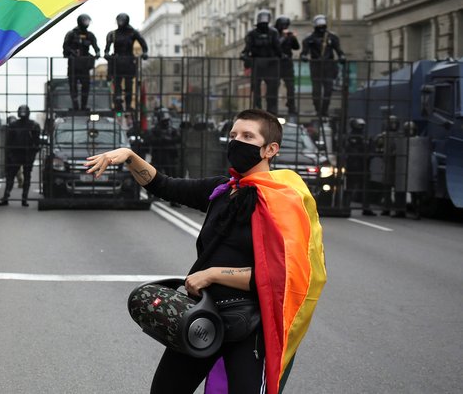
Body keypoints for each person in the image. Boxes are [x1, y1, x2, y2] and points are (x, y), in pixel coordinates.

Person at [85, 109, 326, 394]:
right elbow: (164, 185)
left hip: (251, 325)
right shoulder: (222, 189)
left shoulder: (283, 203)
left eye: (248, 136)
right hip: (201, 315)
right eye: (234, 135)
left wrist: (212, 274)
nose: (237, 141)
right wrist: (128, 155)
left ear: (270, 149)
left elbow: (282, 274)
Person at [300, 14, 345, 118]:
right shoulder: (309, 38)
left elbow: (339, 51)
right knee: (316, 91)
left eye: (323, 26)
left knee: (328, 90)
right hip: (316, 66)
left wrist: (342, 57)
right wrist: (304, 57)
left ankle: (324, 110)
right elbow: (304, 52)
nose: (321, 28)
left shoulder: (332, 37)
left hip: (328, 66)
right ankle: (318, 109)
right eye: (319, 26)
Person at [104, 13, 148, 113]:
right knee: (117, 84)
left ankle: (128, 105)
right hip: (117, 61)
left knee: (129, 85)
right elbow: (106, 49)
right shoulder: (113, 34)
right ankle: (118, 104)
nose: (120, 23)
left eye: (122, 20)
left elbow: (143, 43)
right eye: (118, 20)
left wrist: (145, 52)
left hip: (129, 61)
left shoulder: (133, 33)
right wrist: (106, 54)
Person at [240, 10, 282, 114]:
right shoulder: (252, 34)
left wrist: (282, 56)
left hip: (271, 64)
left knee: (273, 87)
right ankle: (257, 106)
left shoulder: (273, 33)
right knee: (256, 86)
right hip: (257, 64)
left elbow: (278, 48)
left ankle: (271, 108)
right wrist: (245, 56)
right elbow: (247, 49)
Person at [0, 104, 41, 207]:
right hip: (18, 154)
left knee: (22, 177)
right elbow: (9, 142)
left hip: (25, 154)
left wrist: (33, 152)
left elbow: (37, 142)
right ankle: (10, 198)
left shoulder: (33, 125)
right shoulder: (19, 125)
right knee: (12, 177)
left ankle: (21, 198)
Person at [62, 13, 100, 111]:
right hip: (73, 65)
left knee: (86, 86)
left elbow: (96, 47)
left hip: (85, 66)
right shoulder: (71, 34)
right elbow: (65, 47)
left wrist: (98, 53)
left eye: (88, 21)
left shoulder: (90, 35)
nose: (87, 23)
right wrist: (72, 52)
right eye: (85, 21)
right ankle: (75, 106)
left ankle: (84, 106)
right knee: (73, 86)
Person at [274, 16, 300, 116]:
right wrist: (284, 38)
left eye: (286, 25)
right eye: (283, 25)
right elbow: (276, 45)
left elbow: (296, 47)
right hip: (276, 63)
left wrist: (293, 37)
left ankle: (291, 105)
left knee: (290, 86)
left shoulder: (288, 35)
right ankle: (273, 106)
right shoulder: (274, 34)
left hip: (287, 64)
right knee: (275, 85)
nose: (284, 27)